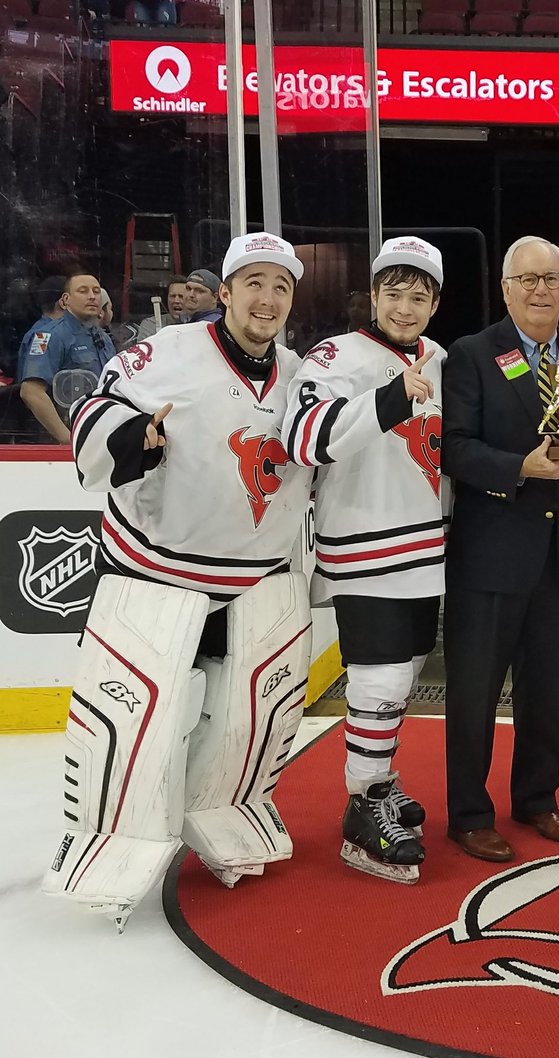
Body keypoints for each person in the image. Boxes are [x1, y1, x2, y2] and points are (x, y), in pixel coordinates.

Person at [42, 233, 313, 929]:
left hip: (258, 577)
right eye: (253, 283)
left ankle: (229, 817)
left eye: (280, 287)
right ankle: (112, 844)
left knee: (251, 717)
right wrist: (134, 438)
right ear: (225, 292)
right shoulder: (164, 351)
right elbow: (97, 410)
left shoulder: (301, 372)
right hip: (156, 568)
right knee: (135, 722)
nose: (267, 298)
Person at [283, 237, 448, 884]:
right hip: (364, 544)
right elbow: (301, 440)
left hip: (425, 549)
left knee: (401, 679)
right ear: (373, 295)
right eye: (394, 294)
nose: (405, 308)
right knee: (377, 684)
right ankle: (361, 809)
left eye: (419, 296)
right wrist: (385, 402)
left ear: (435, 301)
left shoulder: (438, 357)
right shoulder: (336, 356)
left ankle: (378, 785)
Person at [440, 235, 559, 863]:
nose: (540, 290)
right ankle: (469, 813)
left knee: (549, 688)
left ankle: (537, 797)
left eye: (551, 278)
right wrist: (520, 468)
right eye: (527, 279)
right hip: (490, 551)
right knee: (475, 691)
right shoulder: (473, 354)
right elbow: (453, 447)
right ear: (505, 288)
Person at [18, 272, 115, 443]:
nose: (92, 296)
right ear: (65, 300)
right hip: (60, 442)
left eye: (96, 291)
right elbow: (31, 392)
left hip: (100, 435)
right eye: (83, 291)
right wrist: (68, 440)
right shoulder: (48, 335)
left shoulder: (103, 338)